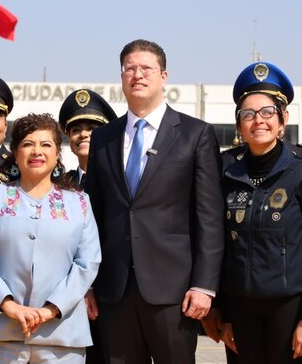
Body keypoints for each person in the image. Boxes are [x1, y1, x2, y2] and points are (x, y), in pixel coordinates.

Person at [85, 39, 224, 364]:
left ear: (164, 75)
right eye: (129, 69)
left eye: (146, 68)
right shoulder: (104, 138)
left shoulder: (195, 134)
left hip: (174, 292)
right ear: (121, 77)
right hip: (114, 289)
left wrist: (204, 285)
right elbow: (92, 216)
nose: (137, 75)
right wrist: (87, 284)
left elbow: (209, 217)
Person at [0, 113, 101, 363]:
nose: (37, 151)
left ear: (58, 153)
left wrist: (51, 309)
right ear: (15, 152)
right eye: (28, 144)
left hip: (61, 334)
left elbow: (87, 263)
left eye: (46, 144)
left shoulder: (79, 202)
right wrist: (10, 306)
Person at [215, 62, 302, 363]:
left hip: (288, 309)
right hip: (239, 309)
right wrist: (223, 315)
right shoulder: (225, 174)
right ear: (239, 125)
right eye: (248, 114)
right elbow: (222, 248)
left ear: (282, 121)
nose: (258, 121)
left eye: (267, 113)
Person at [58, 88, 116, 364]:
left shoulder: (122, 183)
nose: (84, 134)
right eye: (76, 128)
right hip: (68, 298)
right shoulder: (59, 187)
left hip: (114, 295)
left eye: (93, 128)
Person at [59, 88, 117, 189]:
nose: (83, 134)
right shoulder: (62, 184)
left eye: (91, 129)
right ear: (69, 136)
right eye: (76, 130)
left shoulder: (118, 181)